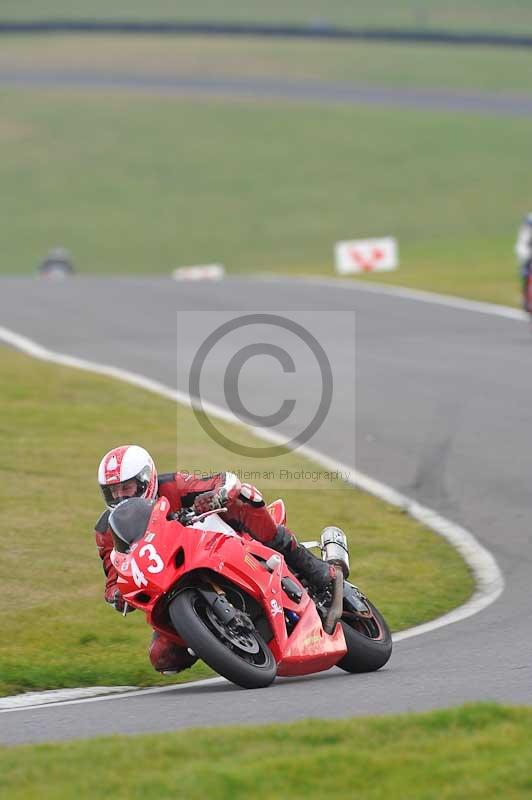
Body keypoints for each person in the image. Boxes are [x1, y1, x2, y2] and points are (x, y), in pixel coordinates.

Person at [95, 444, 338, 675]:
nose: (120, 497)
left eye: (126, 488)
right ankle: (217, 637)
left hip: (211, 543)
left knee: (245, 496)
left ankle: (314, 569)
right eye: (112, 492)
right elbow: (114, 575)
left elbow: (224, 479)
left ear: (145, 481)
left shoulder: (173, 485)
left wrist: (217, 494)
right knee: (162, 658)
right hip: (167, 583)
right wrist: (117, 594)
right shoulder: (107, 530)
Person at [515, 213, 532, 310]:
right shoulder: (529, 221)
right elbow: (523, 242)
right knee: (526, 271)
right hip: (528, 252)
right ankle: (526, 299)